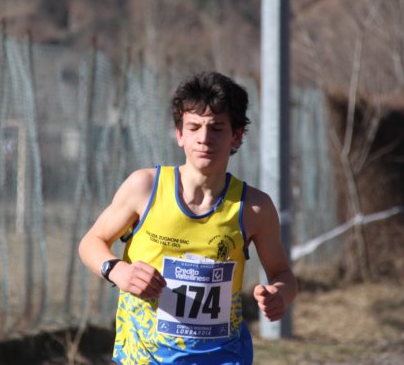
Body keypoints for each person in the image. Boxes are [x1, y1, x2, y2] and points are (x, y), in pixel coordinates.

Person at [78, 71, 297, 364]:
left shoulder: (254, 207)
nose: (204, 138)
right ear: (180, 134)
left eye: (216, 128)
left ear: (236, 135)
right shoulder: (144, 188)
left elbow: (283, 275)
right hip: (143, 358)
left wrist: (278, 295)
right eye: (194, 127)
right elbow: (91, 242)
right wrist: (117, 270)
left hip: (222, 358)